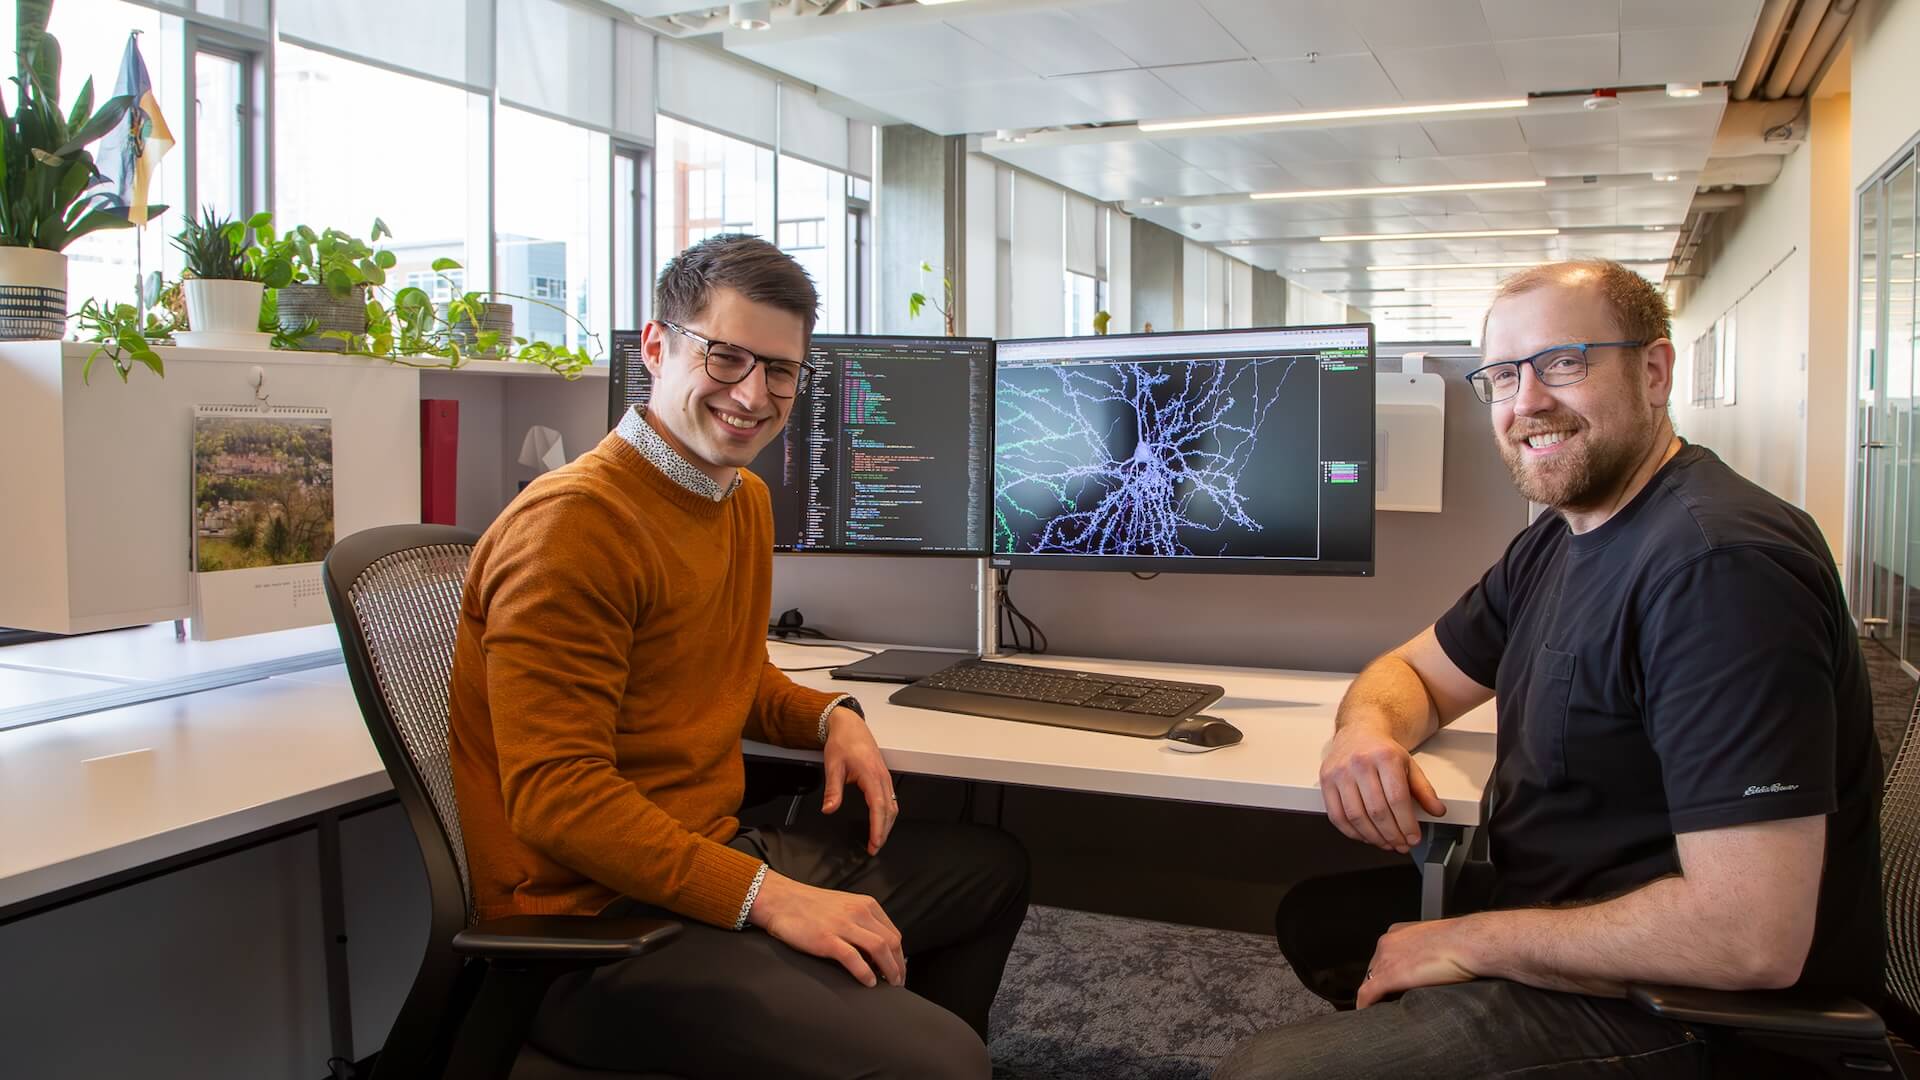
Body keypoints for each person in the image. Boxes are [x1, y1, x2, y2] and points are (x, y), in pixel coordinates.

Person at [1215, 259, 1881, 1078]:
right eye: (1503, 376)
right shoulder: (1563, 537)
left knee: (1263, 1074)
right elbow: (1413, 672)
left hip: (1694, 1011)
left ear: (1654, 372)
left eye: (1564, 362)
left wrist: (1471, 941)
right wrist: (1363, 731)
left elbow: (1749, 937)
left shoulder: (1718, 569)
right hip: (1568, 907)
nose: (1526, 401)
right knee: (1319, 922)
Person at [447, 233, 1030, 1079]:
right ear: (657, 347)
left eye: (781, 370)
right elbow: (558, 799)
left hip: (704, 856)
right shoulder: (573, 529)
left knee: (989, 871)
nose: (753, 395)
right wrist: (772, 899)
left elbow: (729, 671)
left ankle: (859, 1041)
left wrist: (832, 716)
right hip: (588, 929)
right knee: (943, 1063)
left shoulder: (739, 497)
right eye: (725, 357)